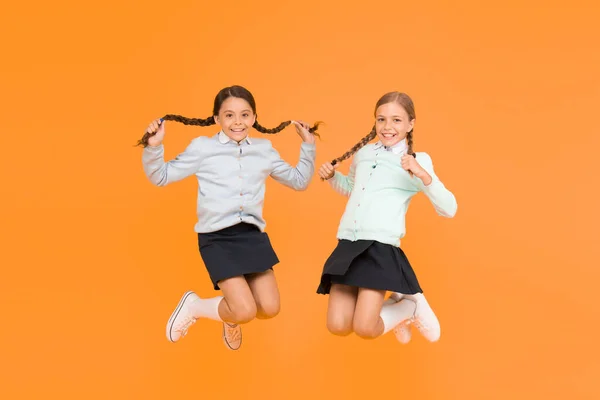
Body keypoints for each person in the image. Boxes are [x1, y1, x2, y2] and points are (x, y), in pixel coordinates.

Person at [139, 85, 320, 350]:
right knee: (244, 311)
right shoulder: (202, 148)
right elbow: (161, 176)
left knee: (269, 308)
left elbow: (299, 181)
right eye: (229, 115)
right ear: (217, 119)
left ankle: (227, 314)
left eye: (245, 115)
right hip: (217, 237)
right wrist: (154, 147)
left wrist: (308, 145)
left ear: (254, 118)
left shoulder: (264, 149)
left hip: (251, 236)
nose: (238, 122)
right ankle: (196, 306)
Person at [316, 91, 457, 343]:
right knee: (337, 325)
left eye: (396, 120)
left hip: (378, 248)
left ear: (410, 124)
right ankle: (401, 305)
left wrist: (424, 176)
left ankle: (409, 307)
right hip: (348, 243)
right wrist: (331, 177)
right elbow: (352, 189)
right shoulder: (364, 154)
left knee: (365, 328)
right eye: (381, 120)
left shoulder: (417, 160)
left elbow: (449, 208)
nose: (387, 127)